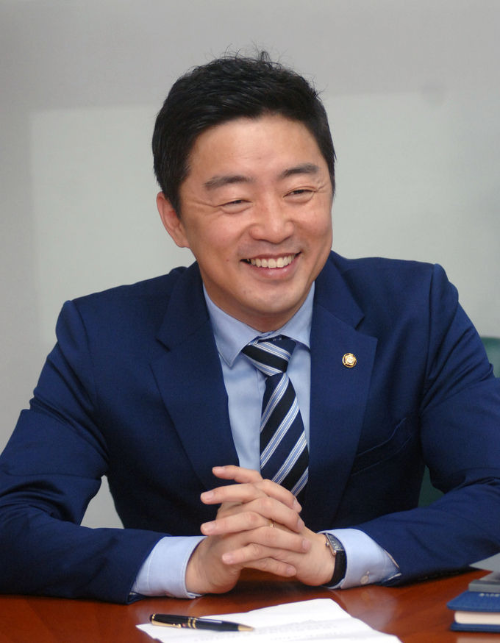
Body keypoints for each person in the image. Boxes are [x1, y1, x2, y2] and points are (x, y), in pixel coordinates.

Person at [1, 52, 499, 604]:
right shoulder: (103, 338)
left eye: (299, 191)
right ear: (174, 219)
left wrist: (334, 553)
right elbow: (11, 522)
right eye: (235, 200)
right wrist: (190, 562)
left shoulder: (416, 309)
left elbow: (494, 487)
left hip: (377, 623)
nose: (274, 227)